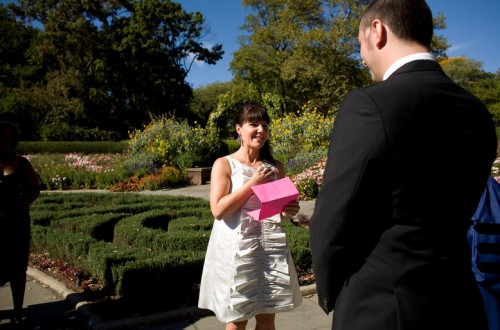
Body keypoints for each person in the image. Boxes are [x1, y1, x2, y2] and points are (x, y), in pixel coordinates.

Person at [309, 0, 498, 329]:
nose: (362, 57)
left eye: (359, 45)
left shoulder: (368, 104)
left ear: (377, 31)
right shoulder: (477, 111)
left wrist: (334, 291)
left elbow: (332, 222)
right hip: (461, 302)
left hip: (383, 306)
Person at [198, 103, 302, 330]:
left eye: (264, 125)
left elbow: (275, 211)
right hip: (238, 251)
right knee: (237, 321)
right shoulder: (224, 164)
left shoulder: (276, 167)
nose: (260, 130)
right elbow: (218, 210)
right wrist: (253, 183)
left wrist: (287, 211)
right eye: (253, 124)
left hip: (269, 249)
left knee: (267, 317)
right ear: (238, 129)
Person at [0, 121, 40, 326]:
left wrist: (22, 204)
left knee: (17, 268)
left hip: (16, 222)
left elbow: (35, 189)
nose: (5, 140)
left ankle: (17, 311)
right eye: (1, 135)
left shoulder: (22, 163)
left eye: (9, 136)